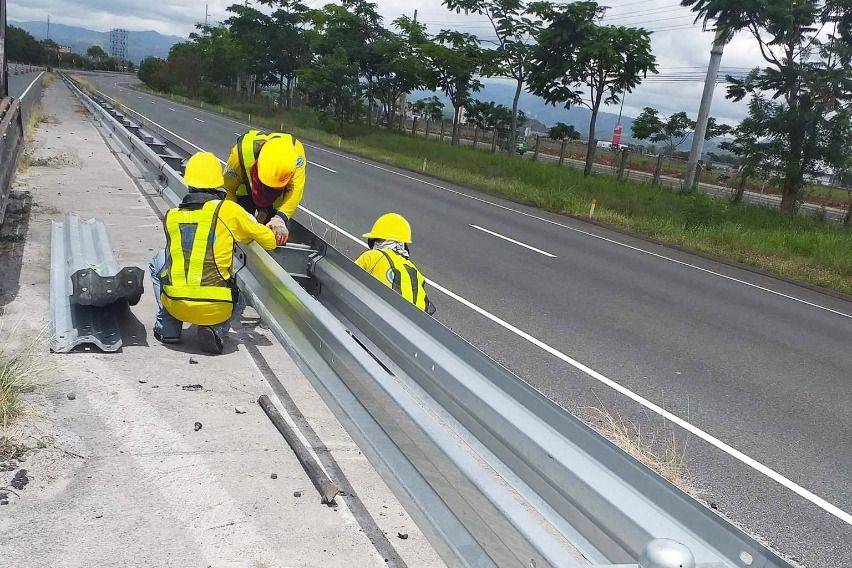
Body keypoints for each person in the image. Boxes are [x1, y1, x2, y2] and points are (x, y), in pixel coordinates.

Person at [150, 151, 277, 354]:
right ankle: (216, 329)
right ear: (218, 183)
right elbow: (269, 241)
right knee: (241, 285)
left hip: (176, 303)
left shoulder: (172, 216)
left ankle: (168, 327)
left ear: (188, 182)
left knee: (158, 261)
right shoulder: (229, 211)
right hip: (217, 307)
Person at [223, 130, 307, 246]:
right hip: (246, 190)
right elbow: (230, 189)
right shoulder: (239, 155)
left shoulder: (296, 155)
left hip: (276, 199)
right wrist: (232, 213)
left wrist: (280, 218)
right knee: (239, 230)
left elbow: (296, 190)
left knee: (274, 236)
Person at [355, 213, 435, 314]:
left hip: (382, 317)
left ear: (376, 239)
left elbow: (345, 277)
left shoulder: (372, 256)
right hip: (416, 326)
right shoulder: (414, 270)